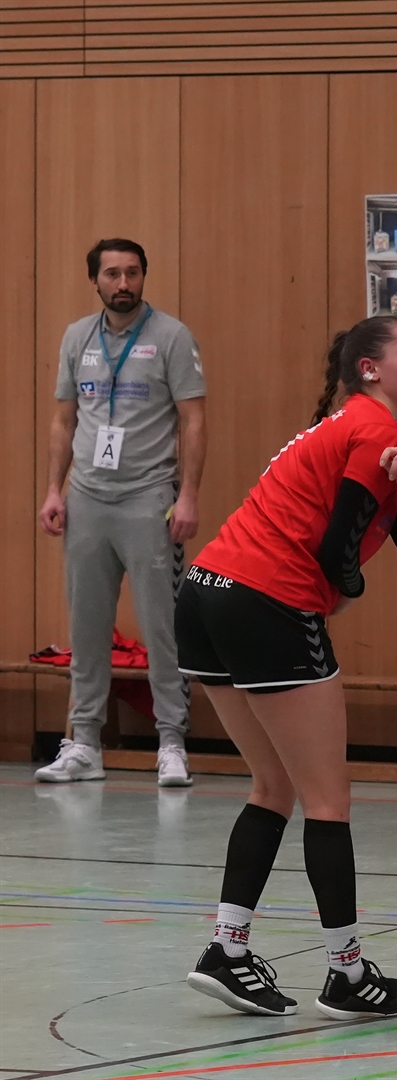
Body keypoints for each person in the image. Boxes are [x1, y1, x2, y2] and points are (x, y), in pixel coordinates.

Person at [177, 315, 397, 1019]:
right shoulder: (372, 429)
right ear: (370, 369)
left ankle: (227, 950)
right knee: (327, 799)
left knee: (273, 785)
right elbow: (335, 552)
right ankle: (347, 974)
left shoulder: (356, 430)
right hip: (267, 603)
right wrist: (348, 589)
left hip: (204, 594)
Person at [37, 238, 206, 788]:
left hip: (149, 497)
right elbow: (64, 420)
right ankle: (84, 742)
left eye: (132, 273)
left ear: (143, 277)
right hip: (87, 499)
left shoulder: (172, 337)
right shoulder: (76, 338)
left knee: (162, 626)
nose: (123, 283)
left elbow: (193, 421)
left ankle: (172, 742)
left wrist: (187, 496)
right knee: (87, 626)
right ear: (96, 281)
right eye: (112, 274)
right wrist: (54, 490)